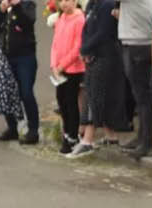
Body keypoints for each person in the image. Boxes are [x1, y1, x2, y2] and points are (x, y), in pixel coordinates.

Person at [70, 0, 121, 158]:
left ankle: (88, 140)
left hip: (106, 56)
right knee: (92, 93)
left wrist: (85, 48)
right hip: (92, 55)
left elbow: (103, 32)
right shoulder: (92, 4)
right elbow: (86, 29)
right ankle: (111, 136)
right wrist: (84, 48)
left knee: (95, 97)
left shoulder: (107, 5)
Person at [0, 0, 40, 145]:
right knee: (6, 92)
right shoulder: (0, 4)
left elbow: (27, 23)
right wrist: (0, 10)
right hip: (5, 56)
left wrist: (16, 6)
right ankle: (12, 128)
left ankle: (33, 131)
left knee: (26, 93)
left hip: (25, 57)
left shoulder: (27, 4)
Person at [118, 0, 152, 157]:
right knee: (141, 96)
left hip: (138, 43)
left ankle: (147, 143)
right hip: (139, 41)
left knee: (143, 97)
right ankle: (142, 138)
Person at [50, 0, 87, 155]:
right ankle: (66, 132)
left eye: (68, 0)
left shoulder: (80, 20)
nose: (64, 4)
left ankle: (73, 136)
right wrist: (54, 64)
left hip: (74, 69)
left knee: (71, 102)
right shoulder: (61, 18)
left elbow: (77, 47)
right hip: (59, 68)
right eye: (62, 1)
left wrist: (62, 65)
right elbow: (55, 43)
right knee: (61, 100)